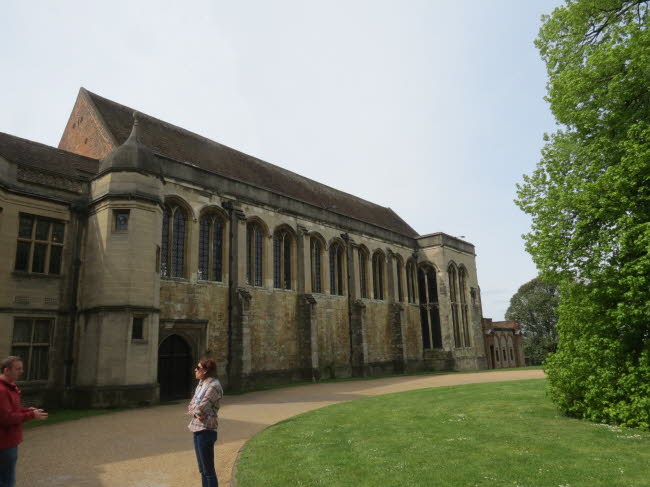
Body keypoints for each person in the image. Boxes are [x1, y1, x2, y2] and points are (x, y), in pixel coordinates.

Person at [0, 356, 48, 487]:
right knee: (7, 481)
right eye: (18, 369)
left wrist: (27, 410)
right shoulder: (2, 390)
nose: (21, 371)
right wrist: (31, 415)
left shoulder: (9, 386)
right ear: (6, 370)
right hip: (4, 443)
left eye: (21, 368)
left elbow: (11, 409)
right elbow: (6, 418)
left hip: (8, 442)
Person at [188, 358, 223, 487]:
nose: (195, 370)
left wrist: (196, 410)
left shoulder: (214, 386)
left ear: (206, 370)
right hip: (197, 427)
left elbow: (203, 406)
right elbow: (191, 404)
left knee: (208, 470)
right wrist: (195, 410)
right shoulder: (201, 384)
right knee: (202, 469)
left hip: (207, 430)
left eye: (198, 368)